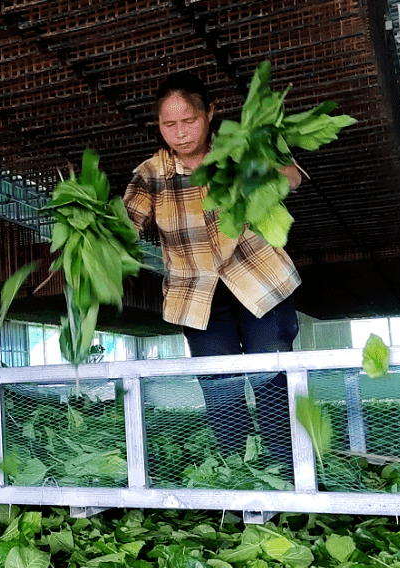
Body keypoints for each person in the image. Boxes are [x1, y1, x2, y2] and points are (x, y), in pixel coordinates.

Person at [122, 71, 303, 476]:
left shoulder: (240, 149)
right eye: (169, 125)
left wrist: (267, 171)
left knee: (271, 383)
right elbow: (123, 225)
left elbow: (291, 177)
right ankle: (237, 477)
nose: (180, 133)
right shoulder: (151, 174)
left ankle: (289, 476)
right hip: (198, 299)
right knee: (221, 392)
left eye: (189, 121)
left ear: (210, 114)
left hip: (260, 285)